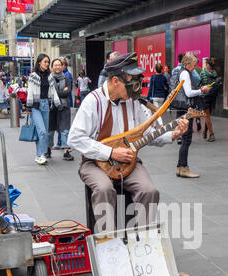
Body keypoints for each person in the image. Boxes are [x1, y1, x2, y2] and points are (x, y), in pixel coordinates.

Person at [68, 52, 188, 232]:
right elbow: (75, 138)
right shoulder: (93, 101)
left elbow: (145, 133)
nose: (137, 88)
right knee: (104, 189)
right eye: (133, 81)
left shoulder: (133, 102)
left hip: (128, 162)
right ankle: (109, 243)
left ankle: (143, 241)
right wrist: (109, 153)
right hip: (94, 162)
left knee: (149, 191)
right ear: (116, 81)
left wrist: (172, 134)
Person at [176, 52, 210, 178]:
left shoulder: (183, 71)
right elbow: (189, 93)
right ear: (189, 63)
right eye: (194, 65)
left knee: (186, 138)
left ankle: (181, 167)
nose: (195, 67)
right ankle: (183, 168)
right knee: (187, 139)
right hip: (186, 110)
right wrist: (202, 90)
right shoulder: (185, 73)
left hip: (184, 110)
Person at [26, 53, 61, 165]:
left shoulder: (50, 76)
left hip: (46, 105)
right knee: (42, 132)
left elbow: (53, 91)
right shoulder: (33, 76)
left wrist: (57, 103)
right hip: (36, 106)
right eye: (45, 62)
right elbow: (30, 91)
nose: (47, 64)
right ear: (39, 62)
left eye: (48, 62)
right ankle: (41, 154)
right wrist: (28, 106)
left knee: (43, 132)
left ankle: (38, 155)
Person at [46, 58, 73, 161]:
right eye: (55, 65)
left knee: (65, 129)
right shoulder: (48, 79)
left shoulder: (66, 79)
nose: (57, 67)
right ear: (52, 67)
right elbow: (49, 93)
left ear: (63, 66)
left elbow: (68, 92)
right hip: (52, 107)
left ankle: (66, 152)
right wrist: (61, 91)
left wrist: (55, 92)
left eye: (59, 65)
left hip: (64, 107)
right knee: (50, 130)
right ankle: (48, 149)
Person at [200, 57, 218, 142]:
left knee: (207, 116)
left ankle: (211, 134)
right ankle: (204, 132)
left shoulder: (203, 73)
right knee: (208, 115)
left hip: (205, 96)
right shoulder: (215, 73)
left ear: (207, 64)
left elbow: (199, 83)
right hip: (213, 95)